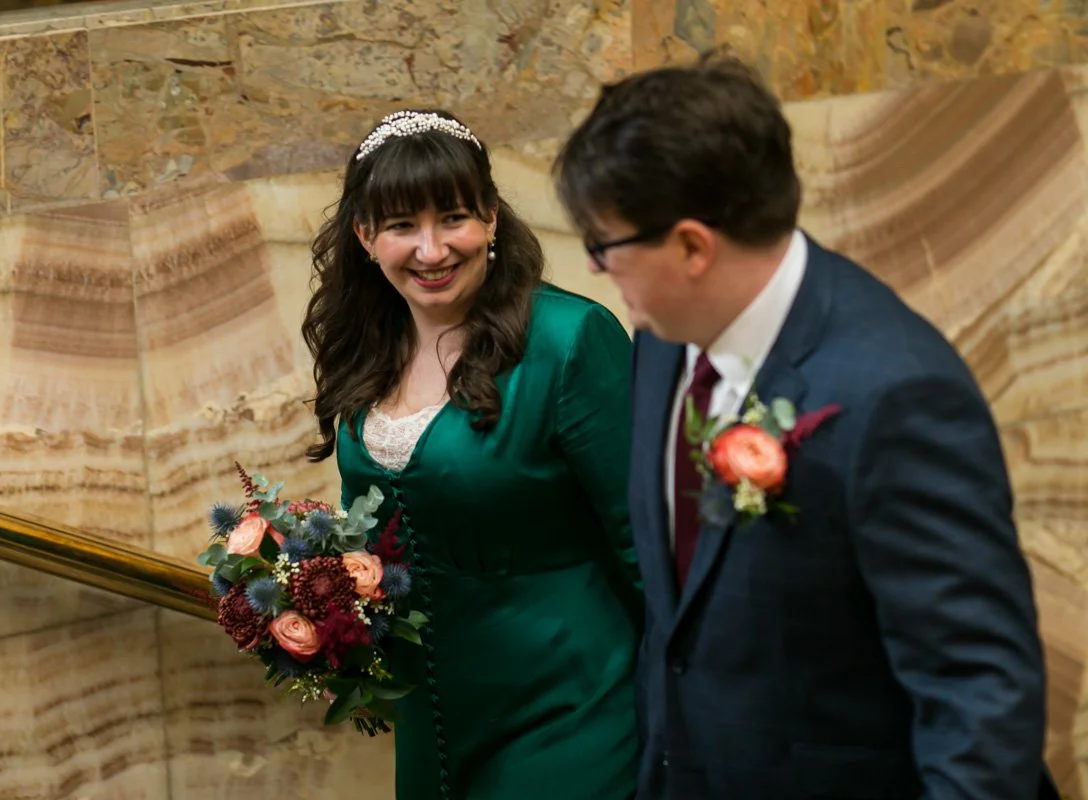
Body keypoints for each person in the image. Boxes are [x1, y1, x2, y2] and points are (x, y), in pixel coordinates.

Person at [552, 55, 1059, 800]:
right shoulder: (662, 341)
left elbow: (979, 691)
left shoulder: (897, 394)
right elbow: (681, 632)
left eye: (606, 246)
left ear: (693, 246)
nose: (598, 270)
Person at [301, 109, 642, 799]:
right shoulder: (365, 349)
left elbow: (651, 542)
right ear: (366, 237)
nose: (431, 250)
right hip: (435, 717)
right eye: (401, 226)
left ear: (490, 216)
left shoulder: (571, 340)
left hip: (575, 702)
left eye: (452, 217)